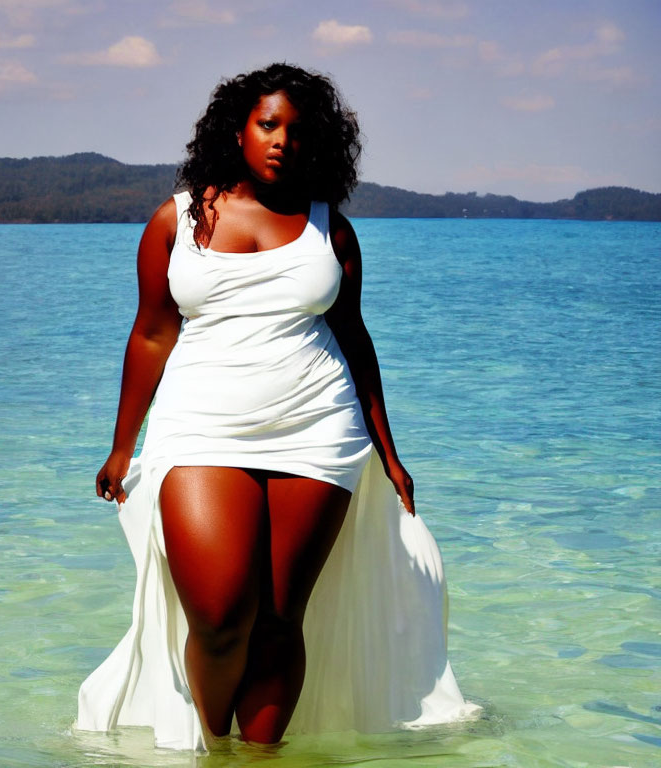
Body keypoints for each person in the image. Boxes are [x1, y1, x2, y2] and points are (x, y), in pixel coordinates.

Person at [77, 62, 478, 751]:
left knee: (280, 620)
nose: (281, 141)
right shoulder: (177, 220)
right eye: (268, 124)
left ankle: (262, 759)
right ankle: (212, 746)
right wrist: (122, 443)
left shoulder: (332, 229)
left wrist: (390, 451)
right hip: (199, 426)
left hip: (318, 428)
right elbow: (151, 333)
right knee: (221, 615)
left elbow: (354, 340)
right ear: (237, 131)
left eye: (298, 130)